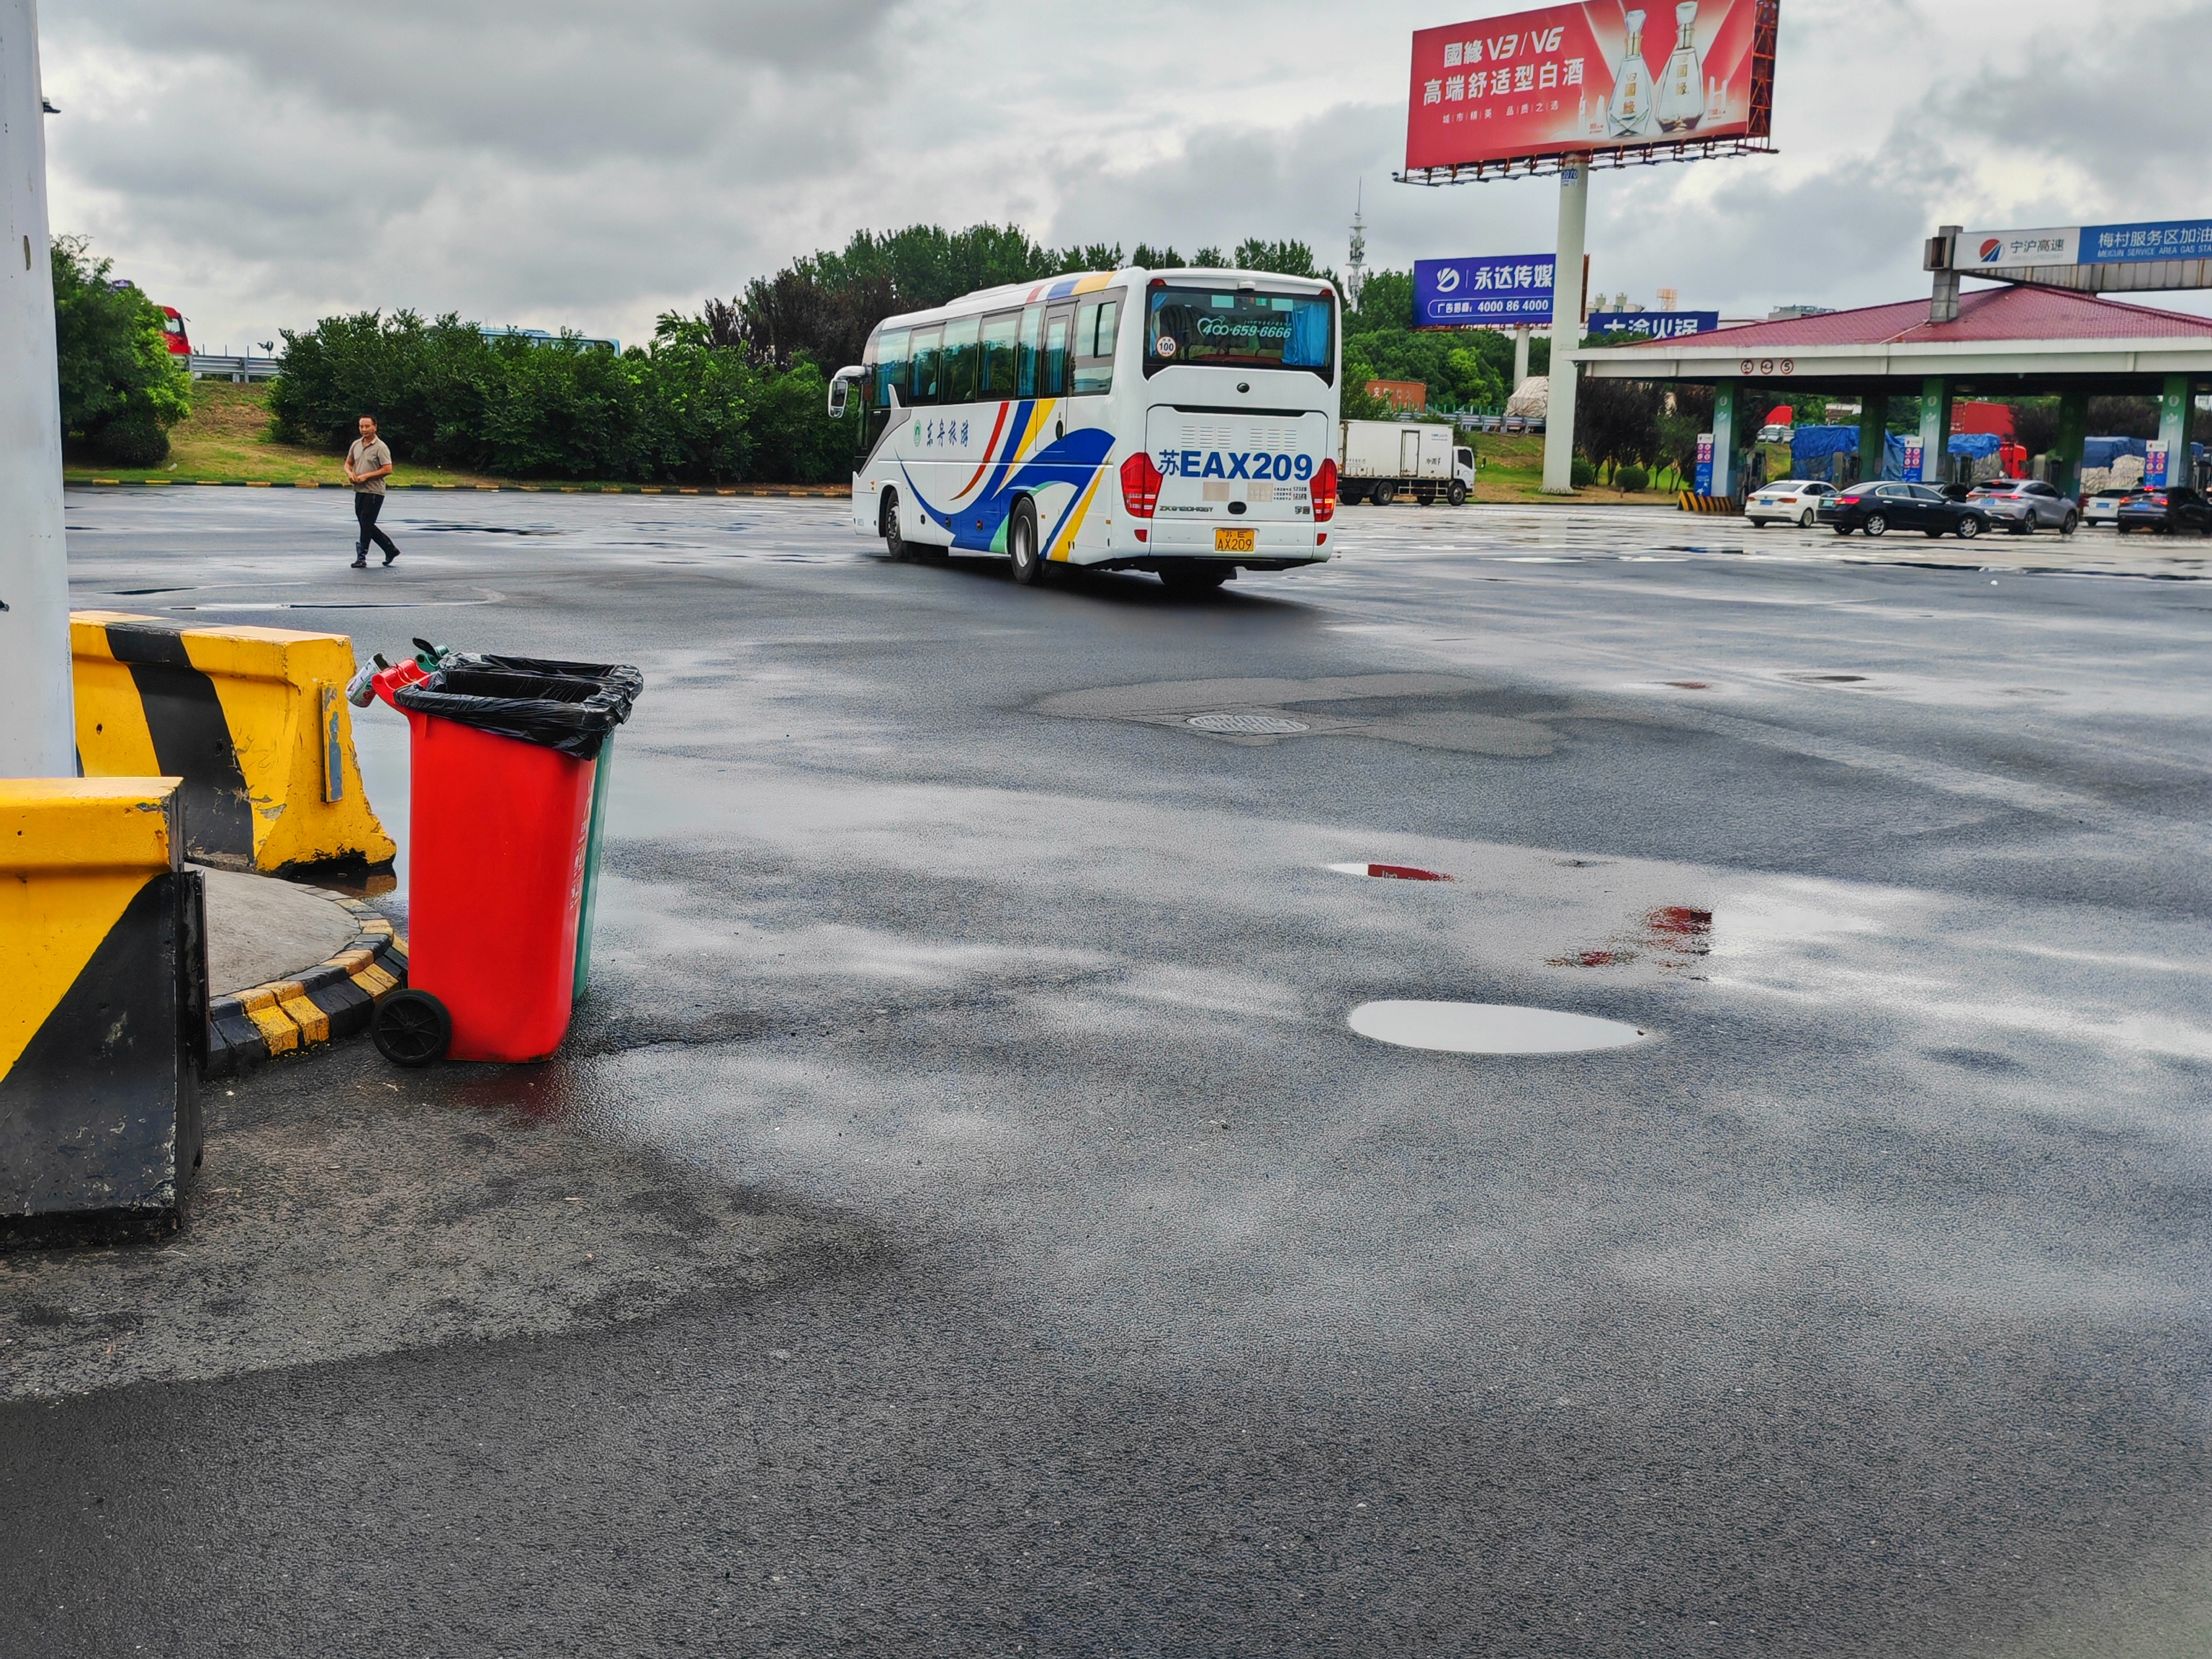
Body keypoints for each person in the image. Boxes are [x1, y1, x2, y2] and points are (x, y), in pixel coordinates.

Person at [344, 415, 401, 568]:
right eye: (361, 426)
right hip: (359, 489)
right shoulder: (356, 444)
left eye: (367, 426)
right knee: (365, 523)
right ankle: (390, 549)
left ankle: (361, 557)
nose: (364, 429)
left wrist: (367, 476)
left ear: (375, 427)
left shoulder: (380, 447)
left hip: (374, 491)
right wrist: (350, 474)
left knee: (366, 523)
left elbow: (388, 469)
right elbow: (348, 464)